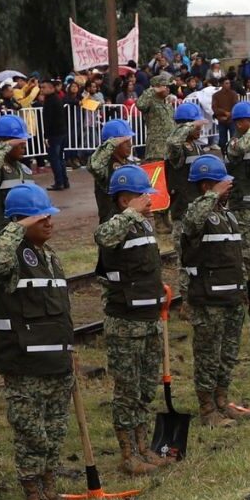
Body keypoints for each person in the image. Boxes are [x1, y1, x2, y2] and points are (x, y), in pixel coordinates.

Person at [0, 185, 77, 500]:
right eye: (41, 216)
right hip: (25, 365)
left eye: (50, 214)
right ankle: (34, 499)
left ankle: (50, 488)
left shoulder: (49, 256)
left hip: (56, 362)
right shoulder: (10, 256)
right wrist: (17, 226)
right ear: (21, 221)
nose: (49, 221)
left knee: (54, 433)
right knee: (31, 434)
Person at [95, 165, 166, 475]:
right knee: (128, 390)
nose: (149, 201)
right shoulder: (116, 224)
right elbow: (102, 236)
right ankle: (128, 454)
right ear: (125, 200)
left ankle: (143, 445)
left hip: (149, 317)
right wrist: (129, 215)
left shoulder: (144, 226)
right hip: (125, 322)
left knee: (146, 387)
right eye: (142, 197)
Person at [181, 155, 250, 421]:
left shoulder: (228, 216)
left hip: (232, 296)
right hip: (208, 299)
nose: (228, 187)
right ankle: (207, 408)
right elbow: (191, 222)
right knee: (208, 356)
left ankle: (221, 399)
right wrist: (214, 194)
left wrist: (243, 290)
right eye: (221, 183)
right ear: (205, 186)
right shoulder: (196, 213)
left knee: (228, 354)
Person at [166, 103, 208, 302]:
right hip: (183, 211)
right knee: (185, 258)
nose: (200, 130)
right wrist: (188, 126)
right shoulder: (178, 150)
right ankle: (186, 300)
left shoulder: (197, 146)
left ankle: (199, 295)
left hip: (199, 210)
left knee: (202, 256)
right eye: (197, 127)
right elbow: (173, 142)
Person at [224, 101, 250, 282]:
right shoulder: (234, 143)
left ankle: (249, 286)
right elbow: (241, 147)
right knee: (244, 252)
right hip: (242, 206)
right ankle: (241, 289)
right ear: (239, 123)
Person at [0, 115, 35, 243]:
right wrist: (4, 146)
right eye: (18, 141)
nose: (24, 144)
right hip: (2, 241)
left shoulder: (24, 169)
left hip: (25, 238)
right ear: (1, 142)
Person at [89, 119, 137, 223]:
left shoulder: (129, 164)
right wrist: (111, 143)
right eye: (125, 142)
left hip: (131, 221)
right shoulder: (105, 167)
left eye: (130, 140)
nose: (130, 145)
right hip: (111, 223)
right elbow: (94, 166)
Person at [40, 79, 69, 192]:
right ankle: (64, 181)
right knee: (60, 158)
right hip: (61, 132)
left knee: (54, 158)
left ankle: (59, 182)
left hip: (54, 134)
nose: (42, 90)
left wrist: (46, 135)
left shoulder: (50, 101)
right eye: (41, 87)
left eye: (44, 87)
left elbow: (48, 119)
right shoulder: (57, 98)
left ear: (51, 88)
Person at [137, 74, 173, 163]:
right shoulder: (150, 102)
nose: (167, 89)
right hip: (156, 150)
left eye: (168, 86)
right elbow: (140, 104)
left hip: (170, 149)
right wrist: (153, 90)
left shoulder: (167, 104)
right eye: (165, 86)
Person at [212, 79, 239, 148]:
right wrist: (224, 113)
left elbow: (236, 106)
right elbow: (214, 108)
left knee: (234, 140)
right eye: (226, 83)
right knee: (222, 141)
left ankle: (233, 155)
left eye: (229, 83)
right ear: (221, 85)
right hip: (221, 120)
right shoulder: (216, 95)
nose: (228, 85)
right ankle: (224, 155)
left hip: (232, 120)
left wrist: (229, 114)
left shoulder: (233, 93)